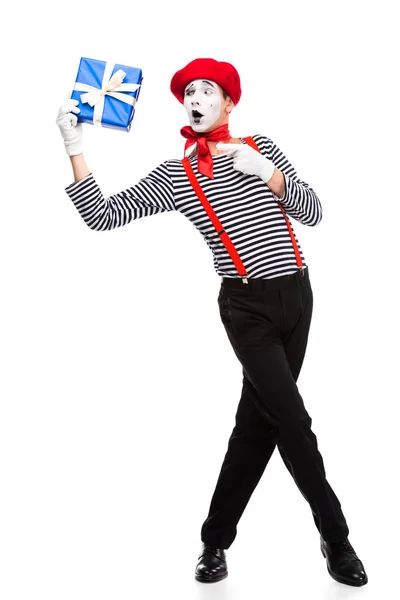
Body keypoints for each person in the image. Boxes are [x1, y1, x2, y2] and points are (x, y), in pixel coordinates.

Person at [56, 57, 368, 588]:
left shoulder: (261, 148)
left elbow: (313, 211)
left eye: (207, 90)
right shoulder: (177, 174)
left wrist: (263, 171)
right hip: (246, 311)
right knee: (293, 423)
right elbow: (102, 215)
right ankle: (337, 538)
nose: (195, 99)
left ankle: (214, 541)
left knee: (257, 427)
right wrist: (74, 147)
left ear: (229, 102)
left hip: (298, 296)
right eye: (188, 93)